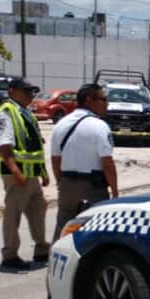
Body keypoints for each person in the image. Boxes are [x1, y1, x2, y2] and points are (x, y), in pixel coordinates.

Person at [0, 78, 50, 272]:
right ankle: (9, 256)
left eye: (32, 92)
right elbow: (3, 146)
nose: (30, 95)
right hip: (16, 174)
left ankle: (42, 250)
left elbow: (34, 146)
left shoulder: (25, 113)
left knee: (38, 210)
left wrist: (43, 172)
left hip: (31, 174)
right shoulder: (6, 113)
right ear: (12, 91)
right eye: (26, 91)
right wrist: (16, 171)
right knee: (13, 215)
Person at [51, 83, 118, 239]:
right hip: (92, 187)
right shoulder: (100, 126)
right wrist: (114, 192)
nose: (107, 103)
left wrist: (61, 182)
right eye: (103, 99)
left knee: (63, 227)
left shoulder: (61, 124)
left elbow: (55, 159)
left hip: (66, 184)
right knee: (93, 229)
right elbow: (107, 163)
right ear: (89, 100)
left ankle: (56, 260)